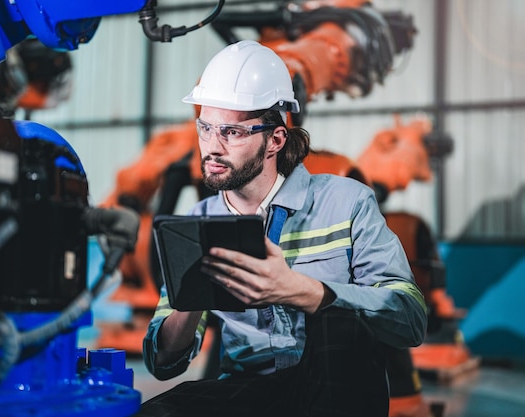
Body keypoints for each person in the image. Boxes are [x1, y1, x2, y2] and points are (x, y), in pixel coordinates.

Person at [136, 40, 427, 417]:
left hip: (337, 386)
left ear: (275, 139)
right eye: (205, 127)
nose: (212, 146)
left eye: (233, 132)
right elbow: (162, 363)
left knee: (338, 323)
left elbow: (410, 319)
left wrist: (303, 292)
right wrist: (190, 302)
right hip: (251, 390)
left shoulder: (347, 202)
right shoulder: (199, 220)